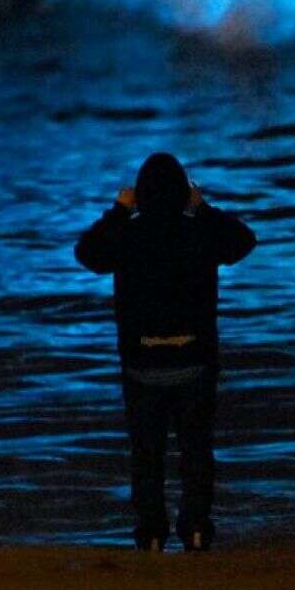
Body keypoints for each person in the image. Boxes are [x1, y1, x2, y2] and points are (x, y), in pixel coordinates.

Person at [74, 152, 255, 552]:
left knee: (147, 454)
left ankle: (152, 532)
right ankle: (194, 528)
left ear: (141, 196)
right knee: (196, 451)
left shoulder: (127, 236)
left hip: (143, 364)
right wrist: (202, 208)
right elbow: (244, 241)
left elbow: (87, 253)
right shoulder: (199, 233)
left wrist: (119, 212)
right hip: (194, 362)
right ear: (182, 194)